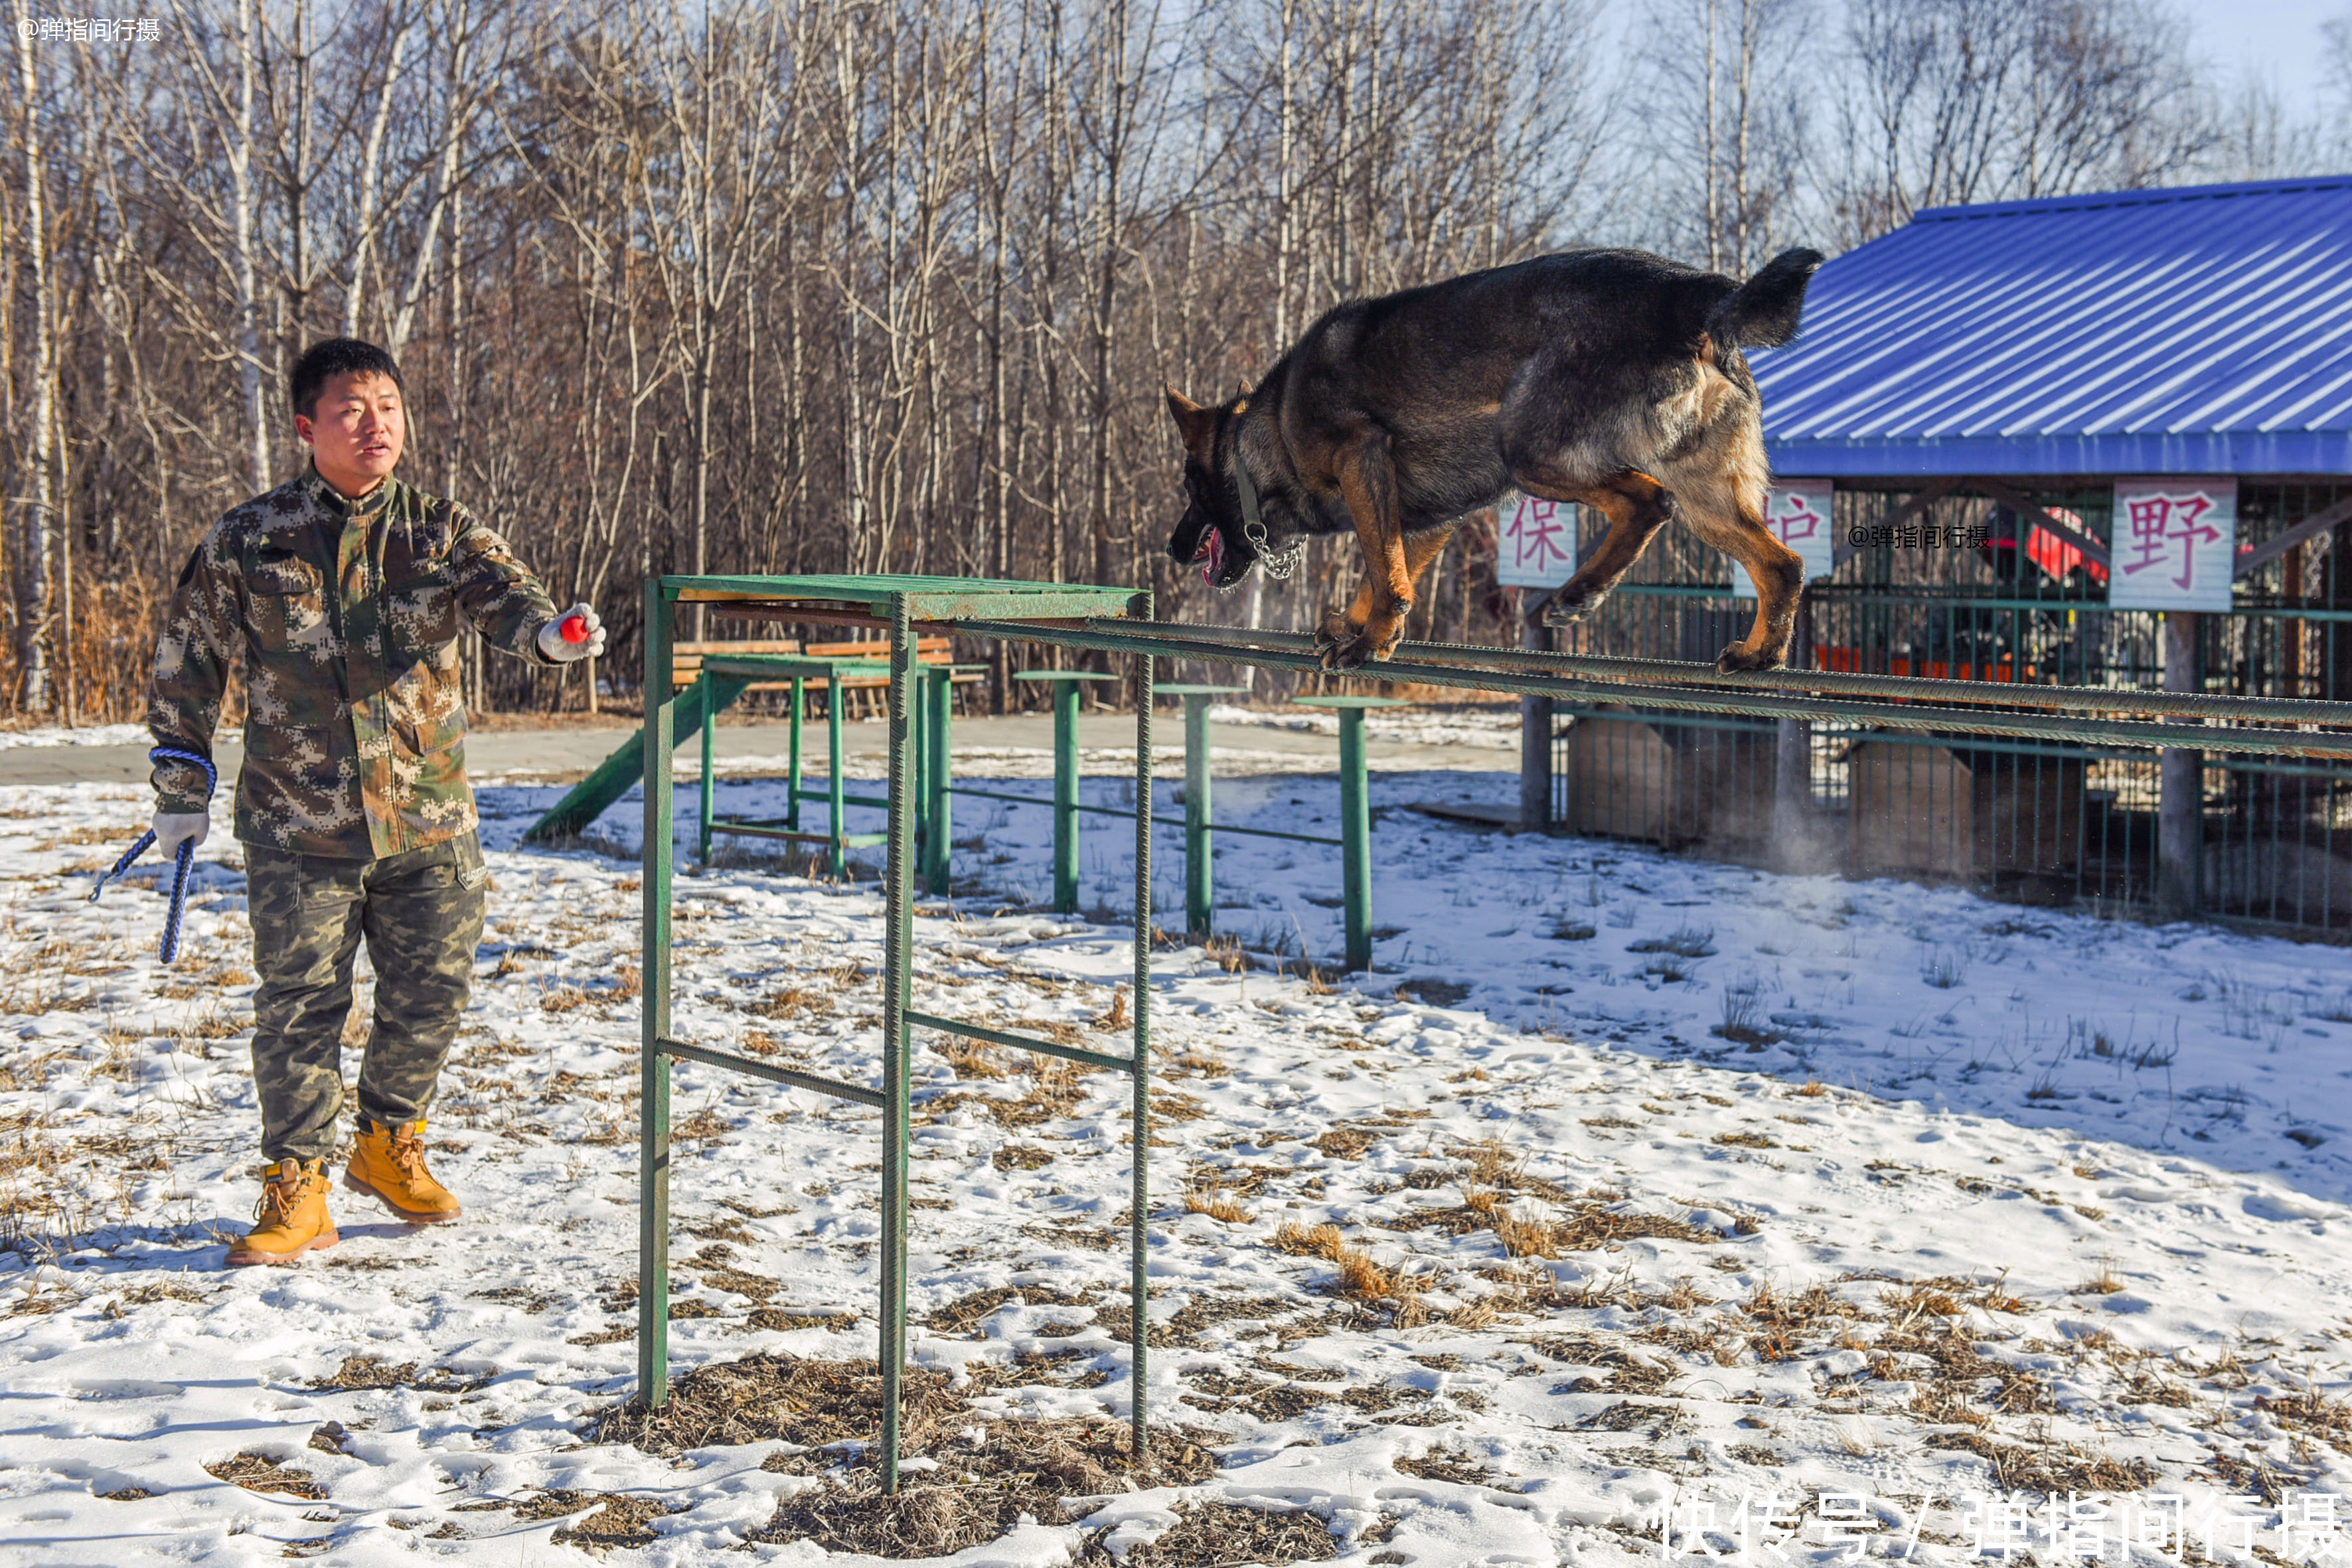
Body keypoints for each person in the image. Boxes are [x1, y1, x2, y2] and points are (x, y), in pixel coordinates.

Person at [146, 337, 609, 1267]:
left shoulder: (439, 531)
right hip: (297, 823)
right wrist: (180, 785)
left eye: (390, 406)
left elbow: (512, 600)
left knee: (433, 991)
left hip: (428, 817)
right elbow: (185, 662)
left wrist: (555, 638)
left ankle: (387, 1141)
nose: (377, 424)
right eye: (354, 409)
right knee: (301, 1004)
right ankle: (299, 1183)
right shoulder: (250, 538)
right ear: (307, 425)